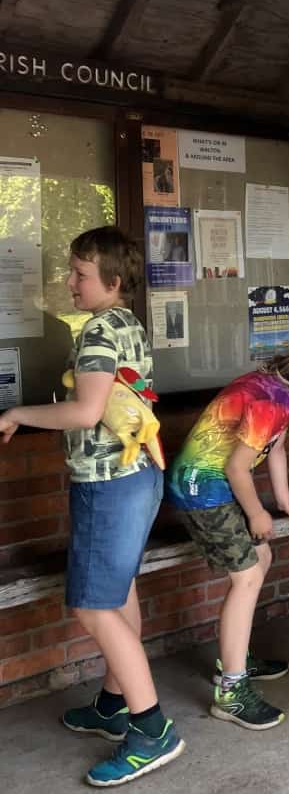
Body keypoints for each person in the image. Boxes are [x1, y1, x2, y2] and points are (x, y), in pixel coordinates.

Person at [0, 226, 184, 787]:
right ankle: (112, 703)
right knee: (119, 591)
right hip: (136, 478)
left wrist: (15, 415)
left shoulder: (101, 329)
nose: (70, 282)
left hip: (109, 486)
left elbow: (85, 412)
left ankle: (151, 729)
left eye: (80, 274)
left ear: (113, 280)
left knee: (92, 606)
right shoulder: (127, 324)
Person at [164, 333, 289, 729]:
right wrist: (257, 512)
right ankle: (231, 692)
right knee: (248, 576)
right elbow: (238, 467)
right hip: (202, 490)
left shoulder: (273, 385)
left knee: (262, 557)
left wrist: (284, 501)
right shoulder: (272, 402)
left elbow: (276, 448)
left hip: (213, 486)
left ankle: (235, 657)